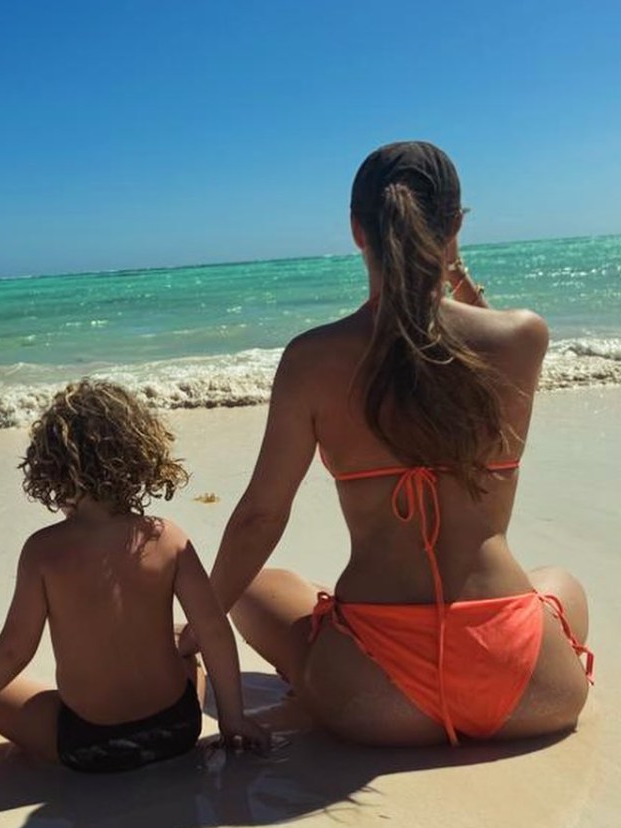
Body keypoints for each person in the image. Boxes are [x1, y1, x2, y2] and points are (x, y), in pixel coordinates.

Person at [186, 141, 593, 747]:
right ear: (454, 227)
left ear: (357, 231)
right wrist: (451, 266)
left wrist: (195, 632)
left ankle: (196, 669)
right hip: (532, 685)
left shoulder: (313, 358)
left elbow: (260, 517)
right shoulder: (522, 338)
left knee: (251, 585)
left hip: (374, 697)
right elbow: (480, 323)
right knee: (559, 580)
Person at [0, 379, 269, 772]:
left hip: (87, 744)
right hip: (176, 731)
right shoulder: (168, 537)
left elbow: (13, 650)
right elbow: (214, 631)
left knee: (9, 704)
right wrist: (233, 717)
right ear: (140, 455)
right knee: (189, 656)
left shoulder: (43, 552)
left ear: (50, 468)